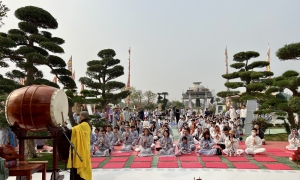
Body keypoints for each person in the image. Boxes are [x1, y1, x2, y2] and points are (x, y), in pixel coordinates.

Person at [63, 111, 92, 180]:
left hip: (81, 149)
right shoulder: (87, 125)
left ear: (83, 117)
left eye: (80, 115)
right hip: (84, 149)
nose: (79, 116)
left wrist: (65, 127)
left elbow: (71, 133)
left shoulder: (83, 125)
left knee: (79, 165)